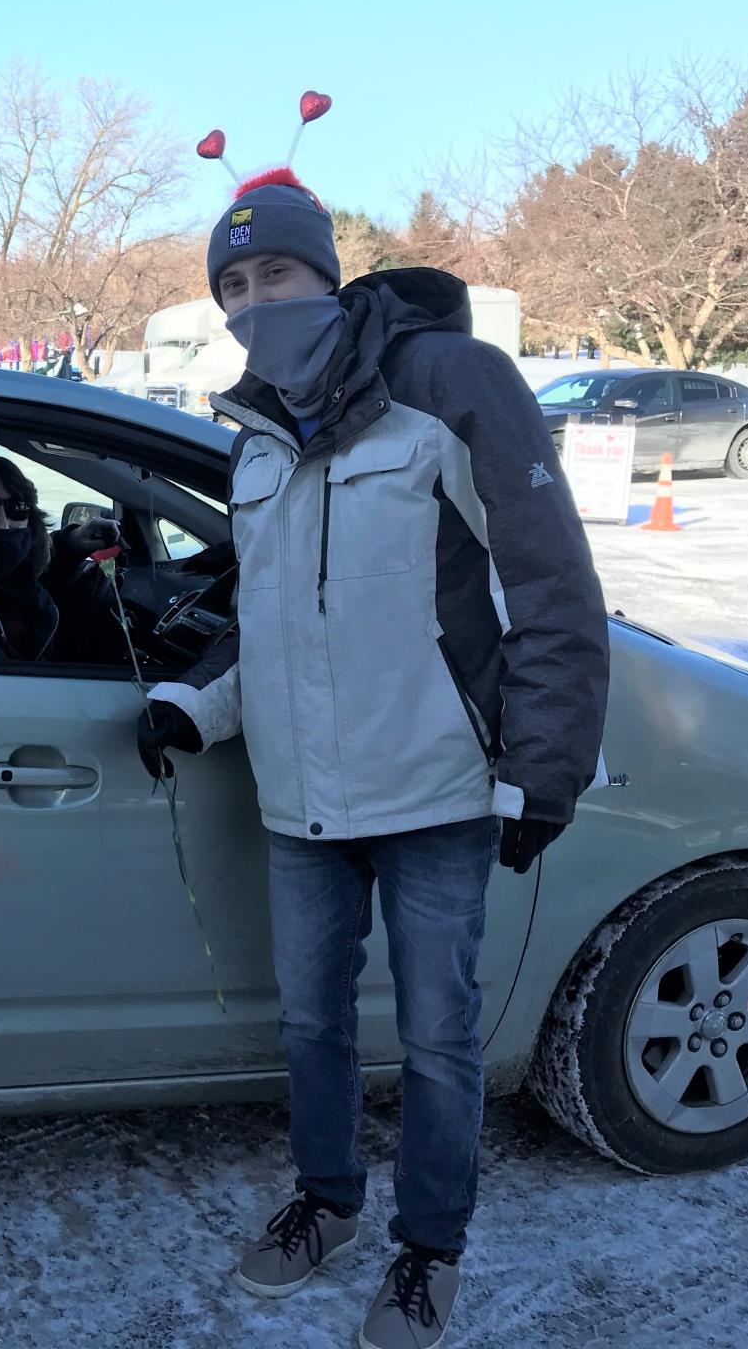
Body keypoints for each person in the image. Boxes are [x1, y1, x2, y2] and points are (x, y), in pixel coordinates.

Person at [136, 170, 608, 1349]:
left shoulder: (446, 388)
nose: (255, 302)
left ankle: (428, 1249)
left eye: (276, 274)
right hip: (302, 804)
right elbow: (277, 617)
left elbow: (548, 585)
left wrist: (544, 766)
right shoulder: (250, 434)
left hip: (438, 791)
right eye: (232, 286)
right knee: (312, 1027)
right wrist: (197, 705)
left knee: (442, 1039)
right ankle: (328, 1201)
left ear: (326, 274)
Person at [0, 452, 128, 663]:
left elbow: (33, 576)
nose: (3, 524)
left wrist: (70, 545)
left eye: (17, 508)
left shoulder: (18, 584)